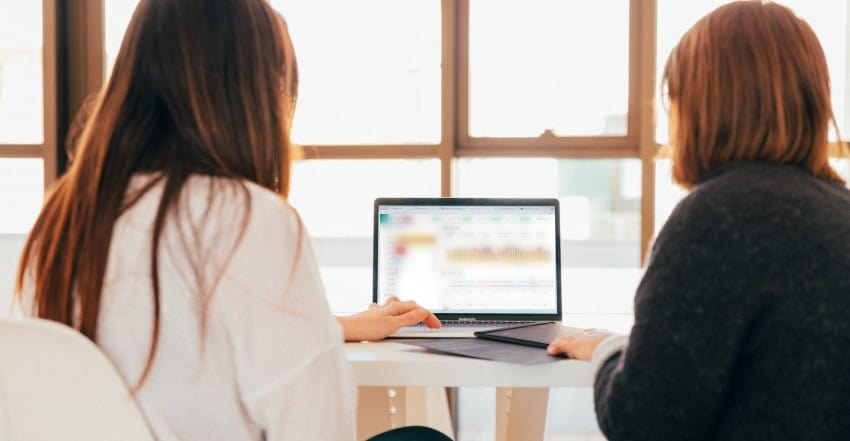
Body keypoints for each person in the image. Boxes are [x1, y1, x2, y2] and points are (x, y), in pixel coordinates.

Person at [14, 0, 448, 440]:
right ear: (255, 94)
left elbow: (167, 343)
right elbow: (319, 428)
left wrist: (337, 325)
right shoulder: (250, 220)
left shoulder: (63, 219)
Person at [547, 2, 850, 440]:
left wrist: (608, 350)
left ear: (699, 105)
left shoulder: (716, 218)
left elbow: (641, 422)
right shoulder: (839, 210)